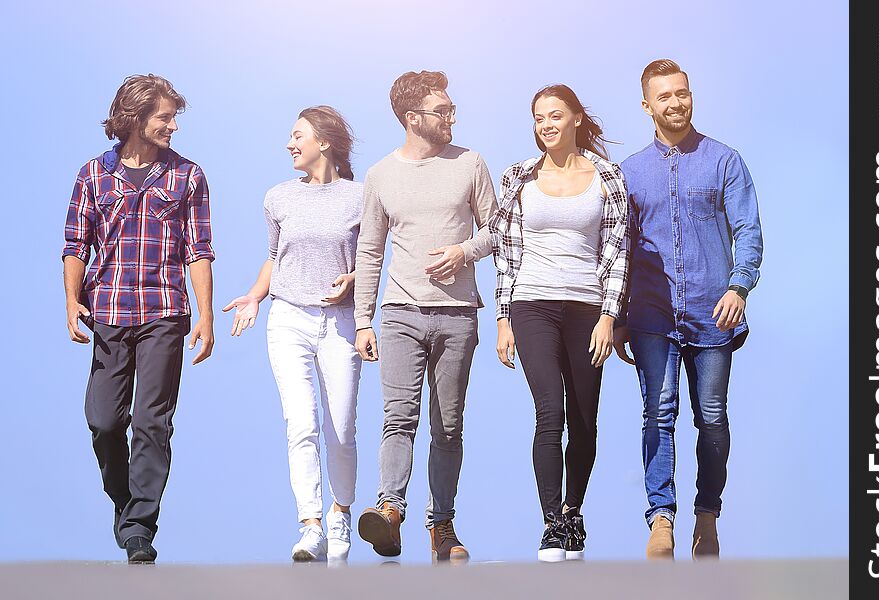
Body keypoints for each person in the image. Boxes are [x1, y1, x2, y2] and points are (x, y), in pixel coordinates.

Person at [613, 59, 764, 560]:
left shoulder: (725, 161)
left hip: (712, 312)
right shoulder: (629, 173)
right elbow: (618, 249)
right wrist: (614, 317)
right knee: (657, 411)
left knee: (712, 416)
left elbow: (748, 231)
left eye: (682, 93)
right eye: (664, 97)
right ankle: (661, 519)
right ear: (646, 106)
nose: (675, 103)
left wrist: (738, 287)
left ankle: (707, 516)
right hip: (651, 314)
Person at [62, 74, 215, 564]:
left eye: (174, 118)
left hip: (165, 312)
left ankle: (139, 530)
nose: (173, 126)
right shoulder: (92, 175)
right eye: (164, 117)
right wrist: (71, 301)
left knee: (153, 423)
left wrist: (205, 316)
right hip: (106, 310)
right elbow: (75, 246)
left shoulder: (188, 176)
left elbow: (200, 250)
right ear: (134, 118)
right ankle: (126, 504)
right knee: (105, 420)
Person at [353, 70, 497, 563]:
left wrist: (463, 251)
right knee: (398, 417)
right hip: (399, 314)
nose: (452, 117)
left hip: (458, 316)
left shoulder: (470, 164)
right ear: (413, 118)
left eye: (452, 109)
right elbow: (370, 252)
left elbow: (498, 232)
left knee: (448, 425)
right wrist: (362, 320)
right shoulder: (380, 175)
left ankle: (442, 528)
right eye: (443, 111)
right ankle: (390, 511)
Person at [490, 85, 630, 562]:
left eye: (554, 114)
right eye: (538, 117)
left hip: (588, 309)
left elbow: (617, 250)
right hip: (532, 304)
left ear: (575, 119)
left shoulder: (608, 175)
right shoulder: (517, 176)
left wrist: (609, 316)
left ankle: (573, 512)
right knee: (549, 410)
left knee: (584, 420)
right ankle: (551, 523)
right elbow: (506, 251)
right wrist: (504, 316)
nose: (546, 124)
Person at [223, 106, 363, 563]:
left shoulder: (360, 197)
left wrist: (356, 278)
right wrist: (253, 296)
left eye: (297, 135)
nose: (289, 143)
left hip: (339, 323)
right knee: (300, 424)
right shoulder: (278, 197)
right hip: (288, 319)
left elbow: (375, 258)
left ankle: (341, 510)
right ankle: (311, 524)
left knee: (340, 428)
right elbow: (273, 257)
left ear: (324, 141)